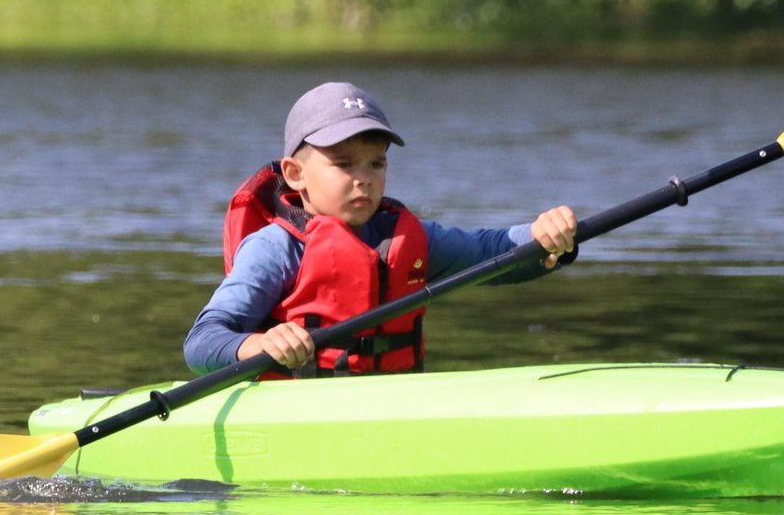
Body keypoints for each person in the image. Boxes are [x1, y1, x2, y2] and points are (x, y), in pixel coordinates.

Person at [183, 81, 578, 377]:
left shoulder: (405, 239)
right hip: (298, 410)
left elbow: (496, 253)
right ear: (295, 173)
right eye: (344, 164)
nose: (364, 179)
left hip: (391, 403)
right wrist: (258, 344)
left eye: (376, 164)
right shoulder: (275, 249)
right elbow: (201, 343)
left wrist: (545, 238)